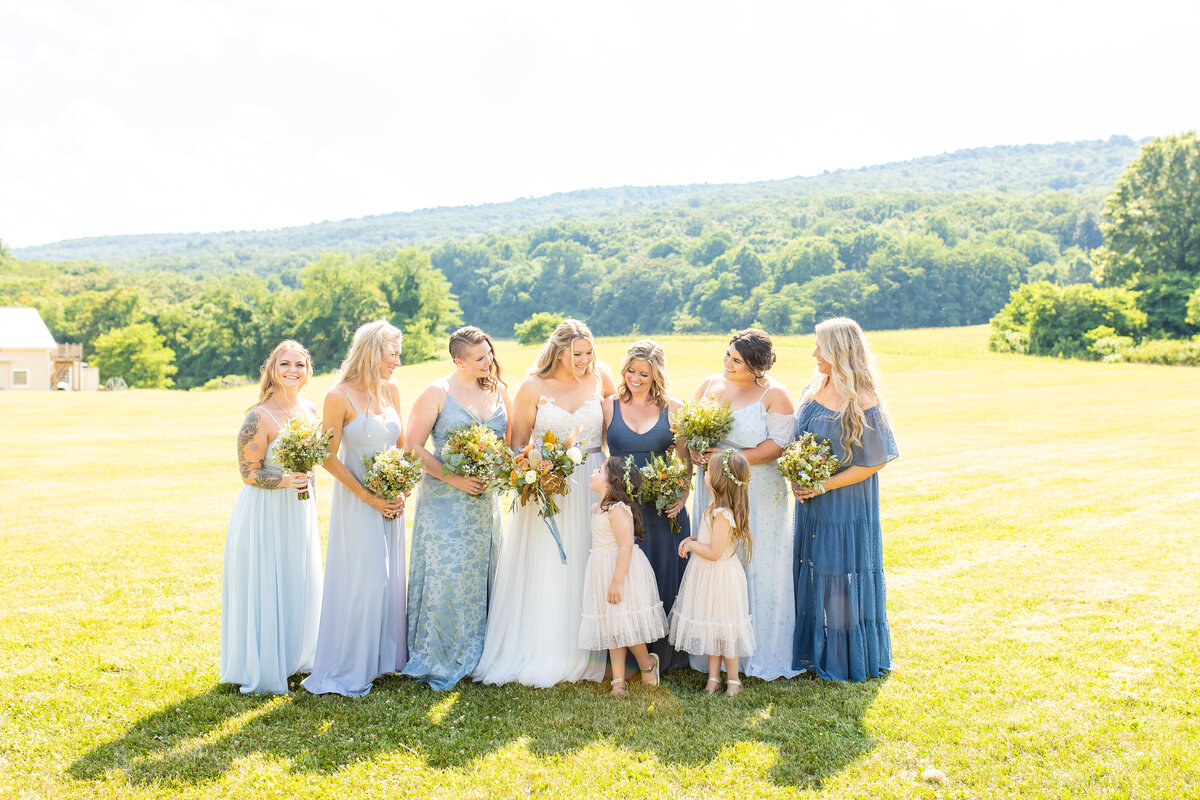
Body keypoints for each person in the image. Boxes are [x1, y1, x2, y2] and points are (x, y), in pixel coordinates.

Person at [474, 318, 616, 687]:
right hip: (546, 485)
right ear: (558, 351)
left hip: (592, 480)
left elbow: (615, 429)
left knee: (590, 558)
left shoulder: (601, 377)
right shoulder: (533, 386)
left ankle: (594, 649)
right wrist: (538, 470)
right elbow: (518, 444)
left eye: (588, 353)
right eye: (577, 355)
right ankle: (545, 647)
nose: (585, 361)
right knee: (549, 563)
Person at [401, 327, 512, 691]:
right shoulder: (437, 392)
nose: (488, 362)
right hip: (444, 502)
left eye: (489, 354)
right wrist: (455, 479)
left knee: (481, 572)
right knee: (447, 575)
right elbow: (414, 447)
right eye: (479, 359)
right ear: (458, 361)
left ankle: (482, 651)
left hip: (484, 503)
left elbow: (505, 446)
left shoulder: (498, 389)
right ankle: (441, 652)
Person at [302, 320, 407, 697]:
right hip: (358, 499)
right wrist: (368, 496)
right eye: (392, 352)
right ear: (373, 351)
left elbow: (403, 444)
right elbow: (327, 458)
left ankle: (382, 661)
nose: (398, 359)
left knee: (390, 578)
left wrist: (401, 488)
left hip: (391, 499)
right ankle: (350, 665)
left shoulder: (392, 389)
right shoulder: (338, 396)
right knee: (366, 580)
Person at [792, 317, 898, 682]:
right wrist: (798, 476)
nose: (814, 353)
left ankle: (843, 658)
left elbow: (876, 461)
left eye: (819, 347)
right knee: (814, 570)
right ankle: (815, 652)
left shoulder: (863, 400)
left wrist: (824, 485)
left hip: (846, 504)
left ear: (839, 350)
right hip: (812, 506)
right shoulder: (814, 387)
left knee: (839, 575)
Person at [689, 329, 798, 680]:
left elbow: (778, 445)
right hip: (714, 490)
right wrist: (694, 449)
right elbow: (688, 431)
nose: (727, 363)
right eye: (727, 355)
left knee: (757, 562)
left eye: (737, 361)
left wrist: (732, 456)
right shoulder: (709, 385)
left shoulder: (775, 394)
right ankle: (714, 655)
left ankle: (758, 651)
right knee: (716, 560)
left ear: (757, 367)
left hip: (758, 492)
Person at [220, 340, 322, 695]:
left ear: (307, 370)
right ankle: (263, 664)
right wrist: (283, 481)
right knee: (269, 579)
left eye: (300, 364)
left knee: (297, 577)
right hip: (265, 511)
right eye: (285, 364)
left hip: (299, 508)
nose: (293, 370)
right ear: (272, 371)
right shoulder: (258, 416)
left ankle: (295, 655)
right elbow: (248, 473)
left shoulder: (309, 410)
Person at [605, 339, 691, 672]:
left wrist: (682, 496)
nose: (635, 378)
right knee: (625, 576)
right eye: (630, 370)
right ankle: (626, 652)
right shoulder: (607, 406)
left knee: (662, 574)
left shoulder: (674, 408)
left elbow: (684, 462)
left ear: (656, 375)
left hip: (662, 507)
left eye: (644, 373)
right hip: (623, 508)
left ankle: (665, 654)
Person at [579, 457, 668, 697]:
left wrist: (617, 580)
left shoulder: (617, 509)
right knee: (612, 626)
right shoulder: (597, 508)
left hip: (622, 571)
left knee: (626, 624)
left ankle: (647, 663)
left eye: (599, 470)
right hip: (602, 569)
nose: (593, 472)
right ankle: (618, 679)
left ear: (612, 481)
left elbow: (626, 546)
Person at [669, 450, 755, 696]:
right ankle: (713, 678)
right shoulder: (714, 507)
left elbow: (715, 552)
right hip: (709, 576)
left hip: (720, 578)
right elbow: (710, 540)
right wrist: (695, 539)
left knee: (725, 631)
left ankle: (734, 681)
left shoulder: (722, 514)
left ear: (718, 479)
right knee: (713, 628)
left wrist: (693, 546)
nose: (704, 474)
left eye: (708, 471)